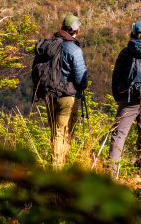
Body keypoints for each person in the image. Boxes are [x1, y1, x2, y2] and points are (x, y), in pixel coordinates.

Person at [108, 20, 141, 178]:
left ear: (135, 33)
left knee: (119, 135)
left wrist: (118, 97)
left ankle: (111, 175)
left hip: (129, 99)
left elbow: (116, 76)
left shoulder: (127, 52)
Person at [45, 14, 88, 168]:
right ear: (77, 30)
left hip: (49, 94)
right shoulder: (73, 49)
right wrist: (82, 87)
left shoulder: (51, 44)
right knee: (63, 131)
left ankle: (57, 164)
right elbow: (80, 76)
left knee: (55, 131)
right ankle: (58, 166)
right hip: (67, 96)